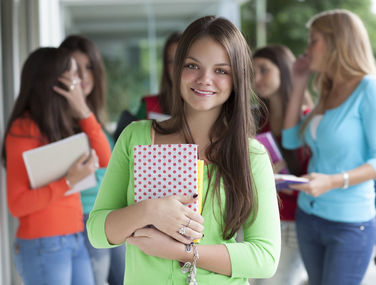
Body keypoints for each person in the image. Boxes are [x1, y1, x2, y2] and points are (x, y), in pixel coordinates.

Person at [87, 15, 280, 284]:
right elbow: (97, 232)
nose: (205, 79)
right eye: (193, 65)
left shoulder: (251, 154)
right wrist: (149, 211)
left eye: (221, 70)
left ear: (237, 78)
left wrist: (183, 252)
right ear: (176, 70)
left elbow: (265, 257)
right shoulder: (137, 137)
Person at [282, 9, 376, 285]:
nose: (307, 49)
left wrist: (333, 181)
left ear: (337, 42)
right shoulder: (327, 90)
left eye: (313, 40)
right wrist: (298, 84)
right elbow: (291, 140)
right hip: (309, 217)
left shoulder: (371, 88)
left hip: (349, 225)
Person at [2, 47, 111, 285]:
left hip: (73, 237)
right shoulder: (24, 130)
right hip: (44, 243)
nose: (80, 81)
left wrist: (83, 109)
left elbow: (106, 158)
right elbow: (17, 204)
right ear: (55, 83)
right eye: (72, 75)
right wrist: (69, 181)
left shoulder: (64, 124)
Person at [60, 35, 125, 285]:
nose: (84, 76)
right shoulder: (61, 118)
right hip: (84, 216)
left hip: (111, 211)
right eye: (75, 68)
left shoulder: (93, 114)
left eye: (89, 68)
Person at [252, 45, 311, 285]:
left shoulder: (306, 118)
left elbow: (317, 178)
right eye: (252, 72)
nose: (256, 78)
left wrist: (277, 180)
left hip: (292, 223)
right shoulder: (255, 121)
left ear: (284, 70)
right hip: (257, 219)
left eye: (263, 70)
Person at [114, 32, 181, 140]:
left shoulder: (207, 107)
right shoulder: (149, 106)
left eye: (182, 60)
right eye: (171, 61)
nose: (176, 67)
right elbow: (132, 146)